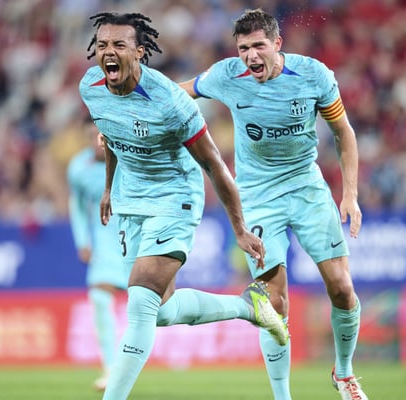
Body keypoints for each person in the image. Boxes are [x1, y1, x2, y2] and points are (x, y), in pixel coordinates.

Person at [78, 12, 288, 400]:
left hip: (174, 199)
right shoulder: (91, 86)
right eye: (102, 45)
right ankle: (249, 306)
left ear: (139, 52)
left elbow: (214, 165)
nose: (108, 52)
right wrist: (108, 188)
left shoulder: (170, 102)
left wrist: (240, 229)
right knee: (160, 312)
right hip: (130, 201)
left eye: (119, 45)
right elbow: (112, 135)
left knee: (141, 304)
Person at [180, 8, 368, 400]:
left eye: (258, 46)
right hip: (258, 199)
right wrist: (127, 108)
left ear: (277, 44)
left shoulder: (313, 75)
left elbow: (343, 132)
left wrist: (350, 193)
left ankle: (345, 373)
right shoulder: (226, 76)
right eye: (243, 48)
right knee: (273, 304)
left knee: (342, 288)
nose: (250, 56)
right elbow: (179, 92)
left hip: (307, 190)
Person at [67, 119, 129, 391]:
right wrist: (82, 240)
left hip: (136, 234)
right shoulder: (78, 168)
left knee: (153, 305)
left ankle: (130, 361)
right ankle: (111, 369)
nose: (97, 141)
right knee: (100, 298)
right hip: (104, 237)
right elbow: (78, 206)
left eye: (101, 135)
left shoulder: (129, 157)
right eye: (91, 135)